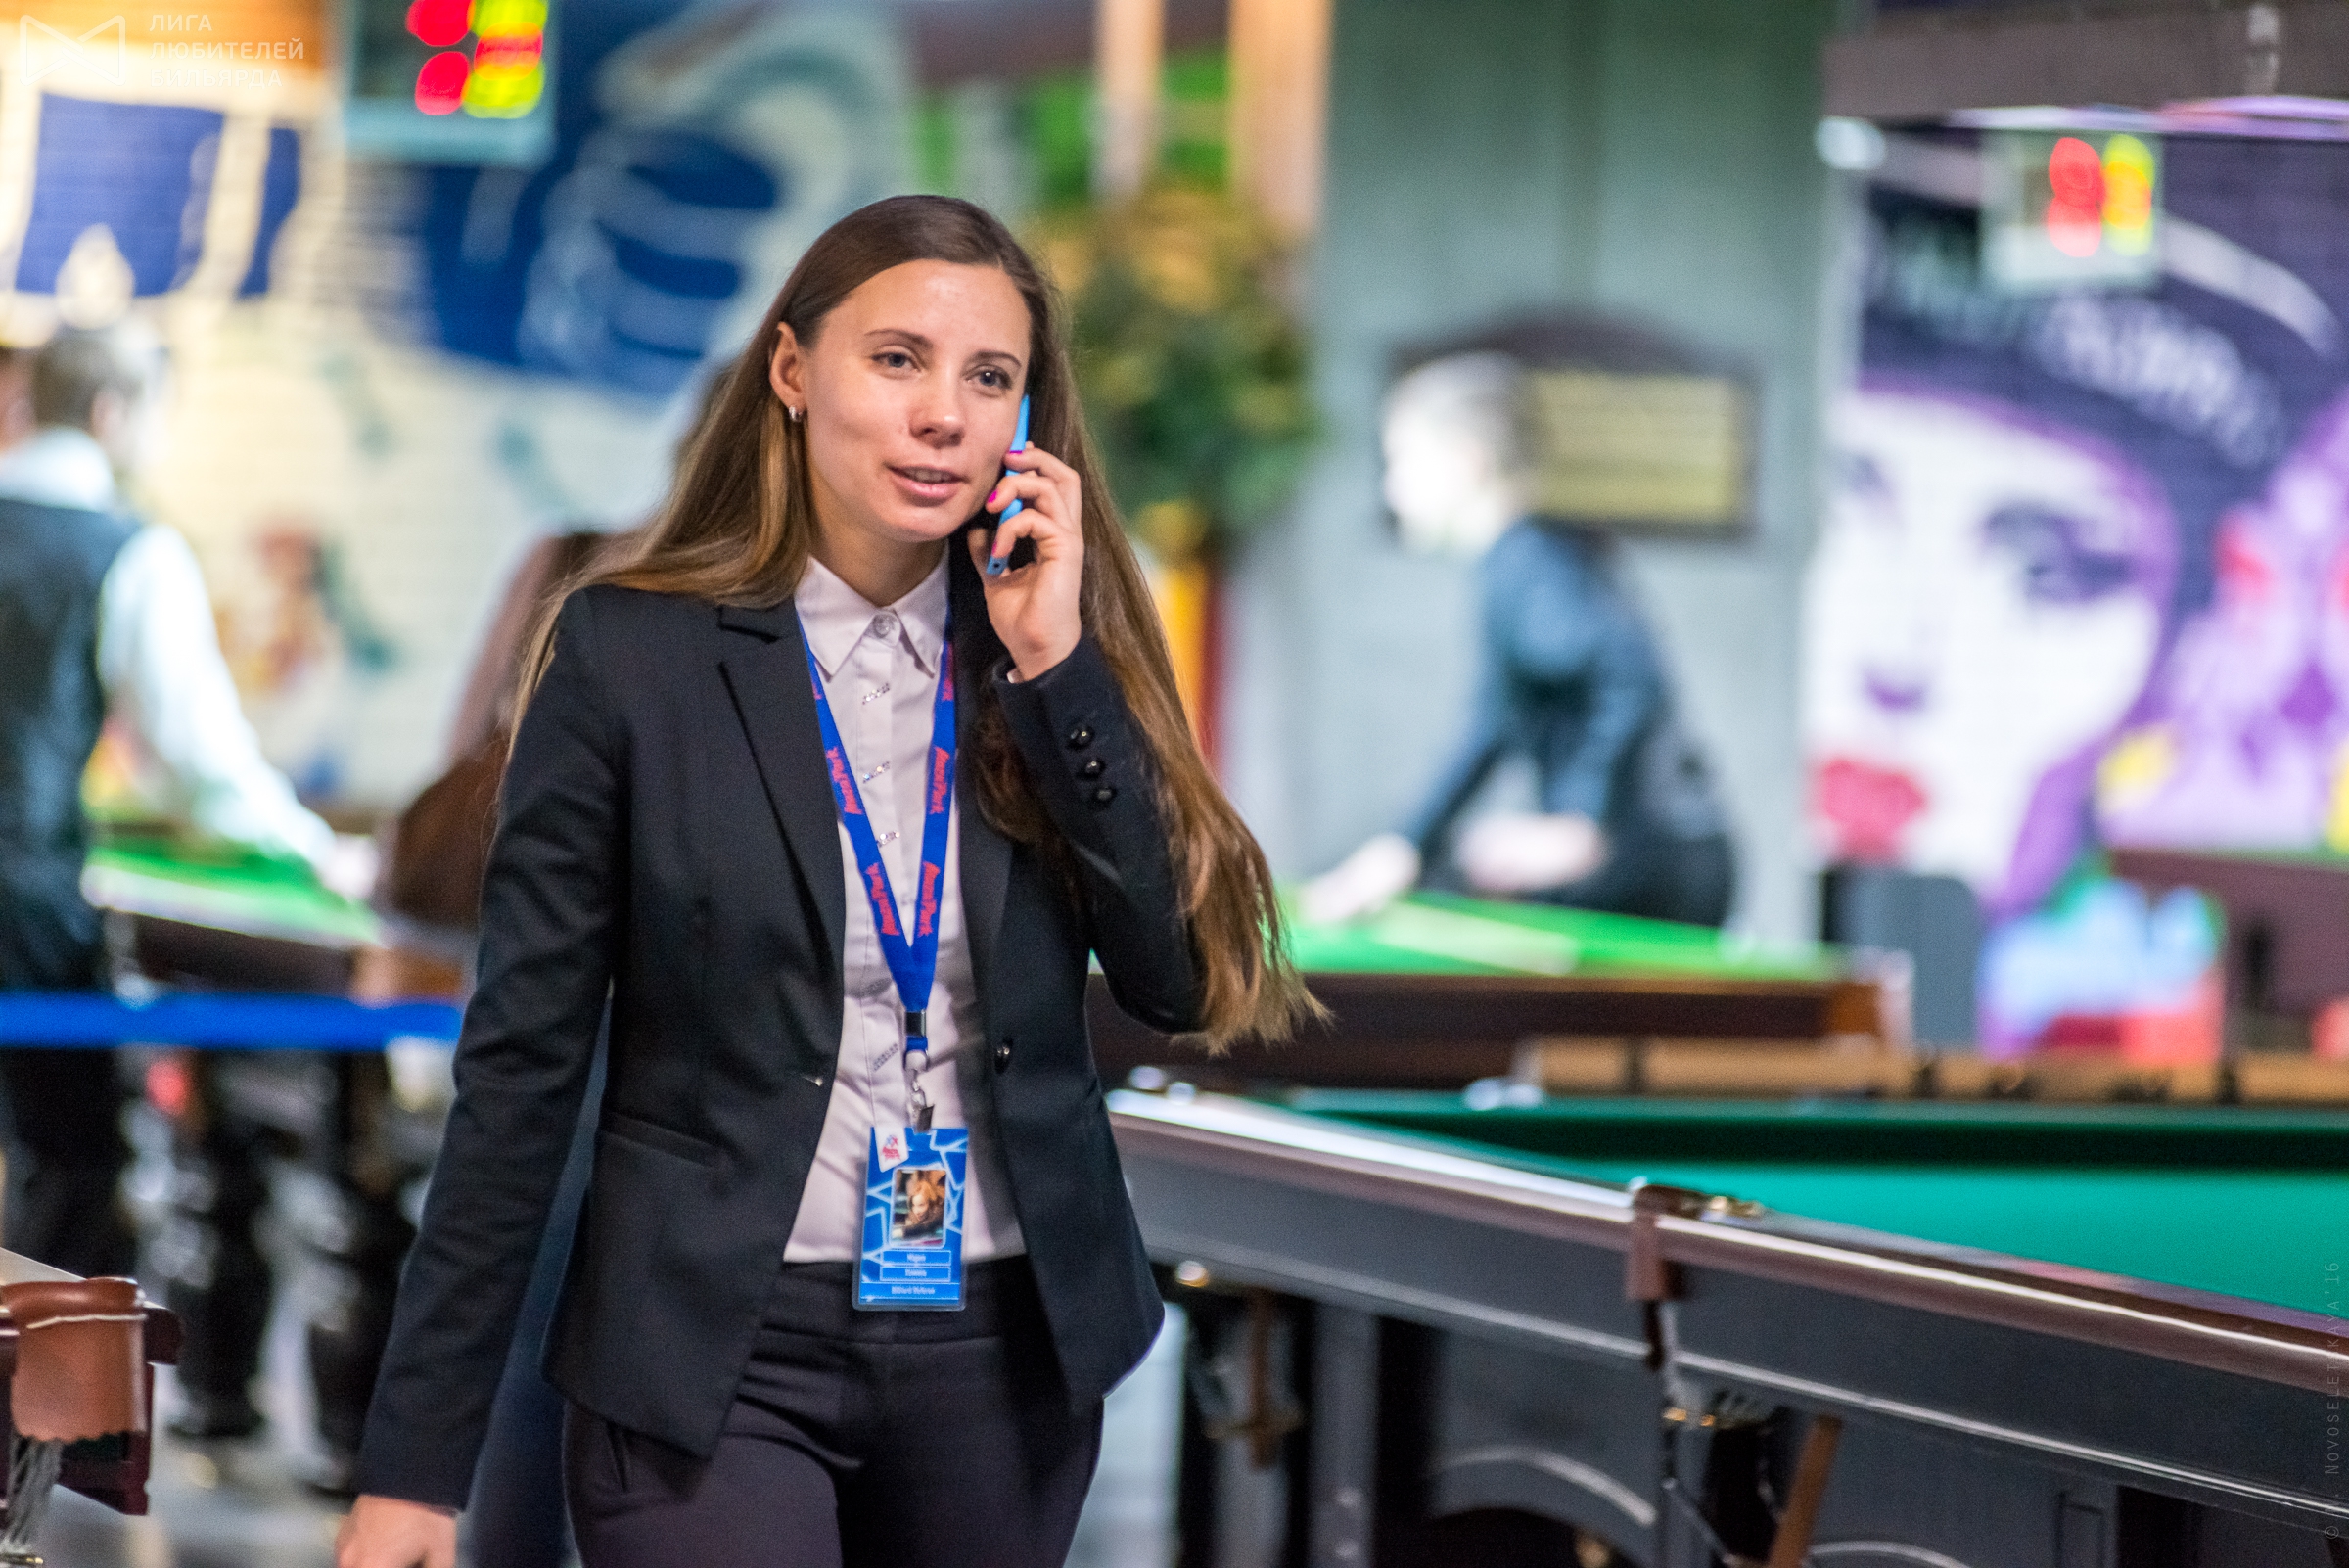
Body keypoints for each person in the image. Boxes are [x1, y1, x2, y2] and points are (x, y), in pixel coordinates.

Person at [337, 194, 1316, 1568]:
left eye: (990, 377)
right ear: (793, 370)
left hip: (1003, 1349)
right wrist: (415, 1469)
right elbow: (520, 1075)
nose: (944, 416)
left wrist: (1058, 672)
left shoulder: (1050, 651)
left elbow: (1174, 979)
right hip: (710, 1349)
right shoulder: (630, 657)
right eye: (898, 359)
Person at [0, 322, 360, 1287]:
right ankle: (44, 1387)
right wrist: (313, 850)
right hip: (23, 906)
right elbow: (197, 764)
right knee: (70, 1172)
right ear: (112, 413)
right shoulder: (127, 550)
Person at [1305, 351, 1734, 928]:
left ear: (1467, 461)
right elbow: (1491, 727)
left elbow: (1628, 672)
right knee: (1455, 872)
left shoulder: (1530, 567)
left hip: (1653, 864)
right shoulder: (1519, 563)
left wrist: (1580, 818)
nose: (1390, 487)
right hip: (1671, 856)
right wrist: (1405, 845)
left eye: (1402, 460)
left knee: (1452, 894)